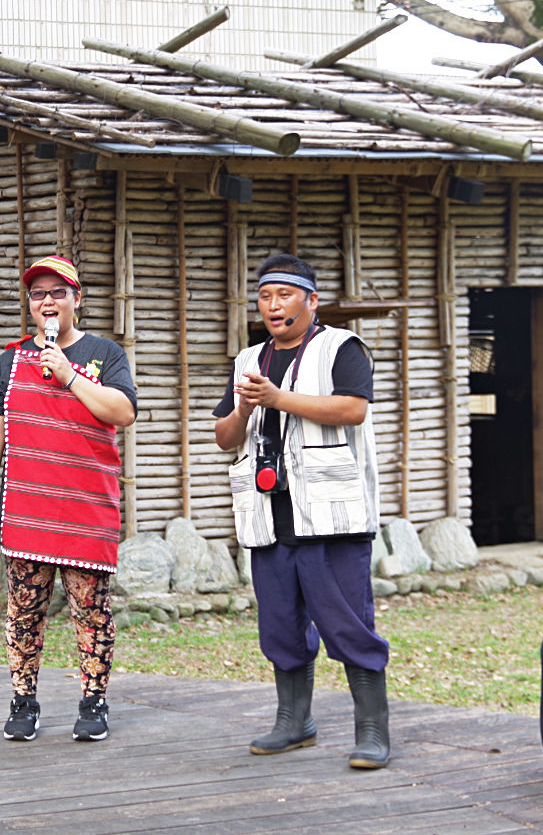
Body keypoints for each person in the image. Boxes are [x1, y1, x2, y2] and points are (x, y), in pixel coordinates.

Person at [213, 253, 390, 769]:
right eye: (265, 297)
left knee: (348, 625)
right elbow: (225, 437)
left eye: (284, 295)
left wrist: (278, 397)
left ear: (311, 301)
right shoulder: (249, 359)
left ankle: (373, 731)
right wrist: (246, 406)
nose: (273, 306)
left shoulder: (342, 348)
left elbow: (353, 409)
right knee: (280, 627)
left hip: (332, 517)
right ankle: (295, 722)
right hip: (269, 518)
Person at [0, 255, 137, 742]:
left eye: (57, 292)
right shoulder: (9, 360)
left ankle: (94, 701)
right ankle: (23, 700)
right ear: (29, 305)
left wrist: (68, 374)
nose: (47, 302)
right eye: (38, 294)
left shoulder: (105, 354)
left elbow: (123, 412)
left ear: (76, 300)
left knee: (92, 609)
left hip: (86, 508)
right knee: (23, 610)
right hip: (27, 509)